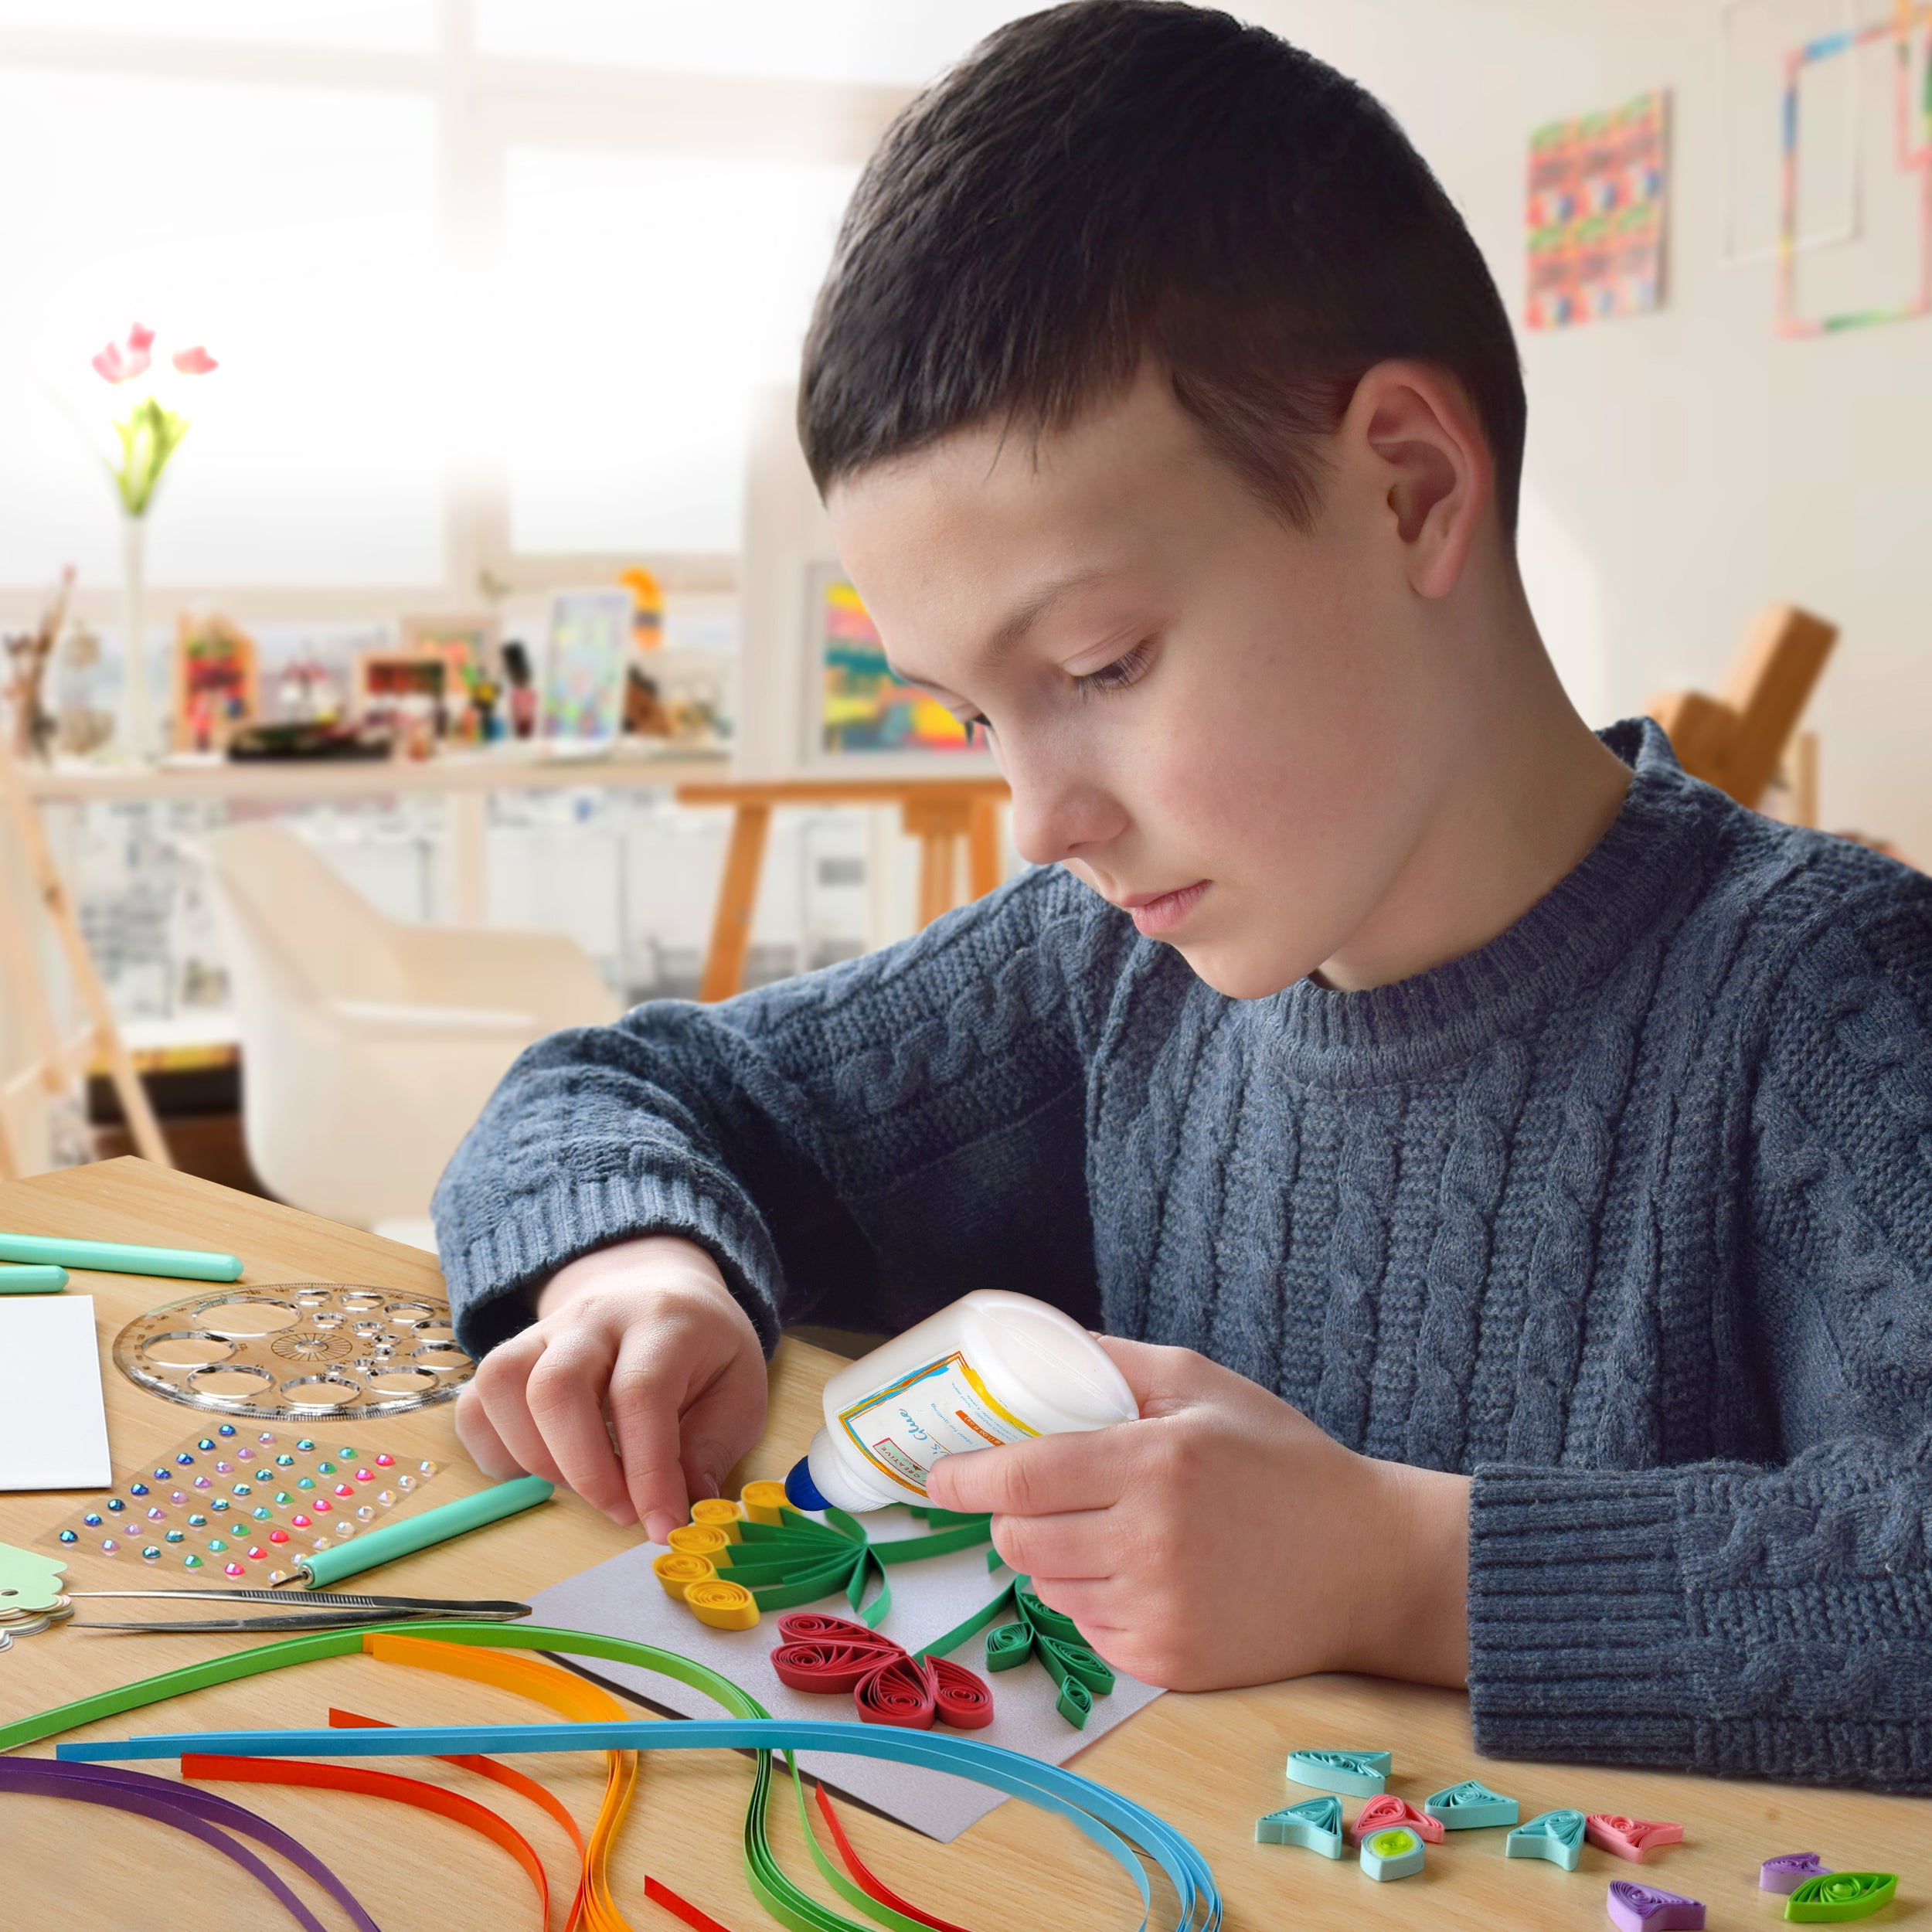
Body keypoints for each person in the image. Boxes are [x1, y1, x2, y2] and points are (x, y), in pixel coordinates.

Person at [435, 1, 1932, 1792]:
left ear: (1406, 489)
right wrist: (642, 1261)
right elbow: (614, 1088)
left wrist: (1394, 1561)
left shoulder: (1813, 995)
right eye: (976, 714)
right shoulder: (1099, 968)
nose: (1035, 813)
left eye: (1102, 659)